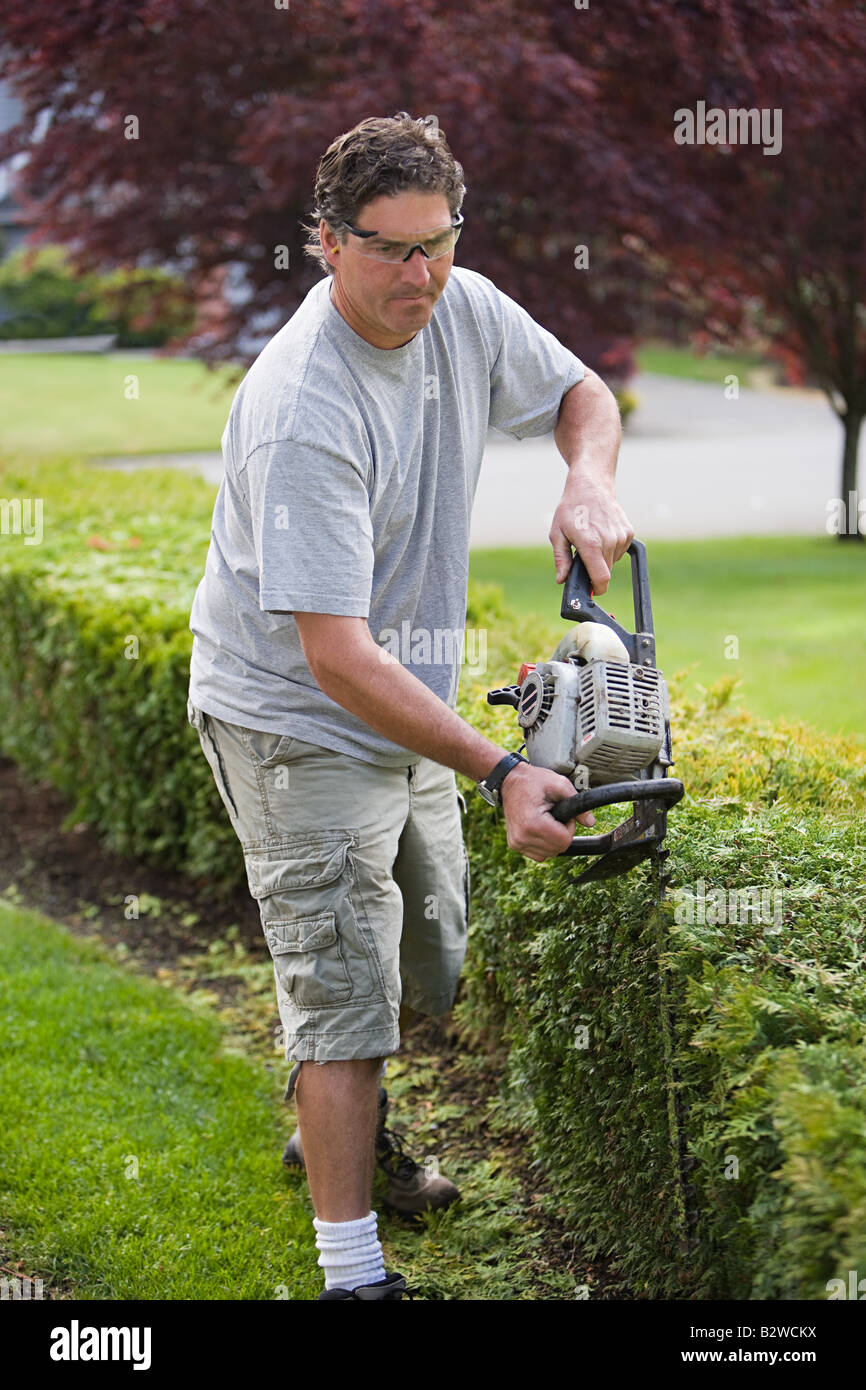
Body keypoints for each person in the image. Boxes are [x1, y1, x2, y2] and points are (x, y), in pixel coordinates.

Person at [187, 111, 633, 1302]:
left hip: (399, 702)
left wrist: (585, 481)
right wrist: (501, 768)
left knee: (424, 956)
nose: (419, 275)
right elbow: (333, 656)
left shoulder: (461, 305)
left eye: (437, 242)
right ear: (326, 243)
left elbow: (581, 391)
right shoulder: (304, 409)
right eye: (389, 249)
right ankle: (353, 1269)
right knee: (344, 993)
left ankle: (335, 1124)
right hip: (296, 717)